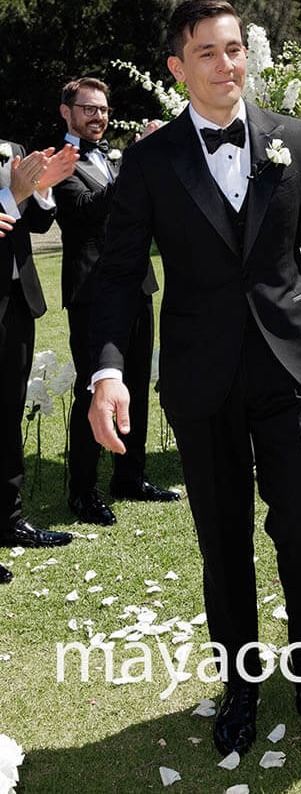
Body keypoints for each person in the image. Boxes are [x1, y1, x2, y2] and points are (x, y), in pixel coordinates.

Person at [88, 0, 301, 755]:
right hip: (200, 376)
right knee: (224, 539)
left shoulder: (294, 139)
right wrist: (107, 371)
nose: (225, 64)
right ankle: (240, 685)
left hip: (288, 366)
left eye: (234, 48)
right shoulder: (150, 161)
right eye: (207, 52)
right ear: (178, 68)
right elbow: (119, 273)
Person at [55, 77, 178, 525]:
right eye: (89, 109)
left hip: (137, 285)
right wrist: (135, 162)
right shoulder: (57, 163)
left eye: (104, 110)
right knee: (94, 386)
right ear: (67, 112)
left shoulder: (115, 157)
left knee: (137, 382)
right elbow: (86, 209)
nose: (98, 117)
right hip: (91, 292)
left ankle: (130, 476)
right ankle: (82, 491)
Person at [0, 138, 78, 582]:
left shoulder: (13, 148)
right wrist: (12, 195)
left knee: (9, 413)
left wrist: (42, 188)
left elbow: (37, 220)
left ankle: (9, 520)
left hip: (17, 301)